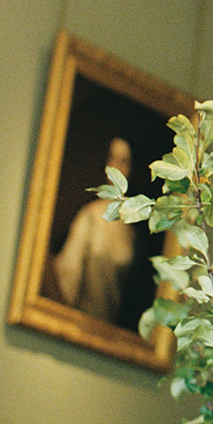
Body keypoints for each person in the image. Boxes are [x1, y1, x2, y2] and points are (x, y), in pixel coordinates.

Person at [52, 137, 137, 324]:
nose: (117, 168)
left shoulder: (131, 229)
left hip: (113, 329)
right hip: (83, 322)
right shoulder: (90, 216)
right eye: (113, 159)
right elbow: (68, 274)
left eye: (124, 162)